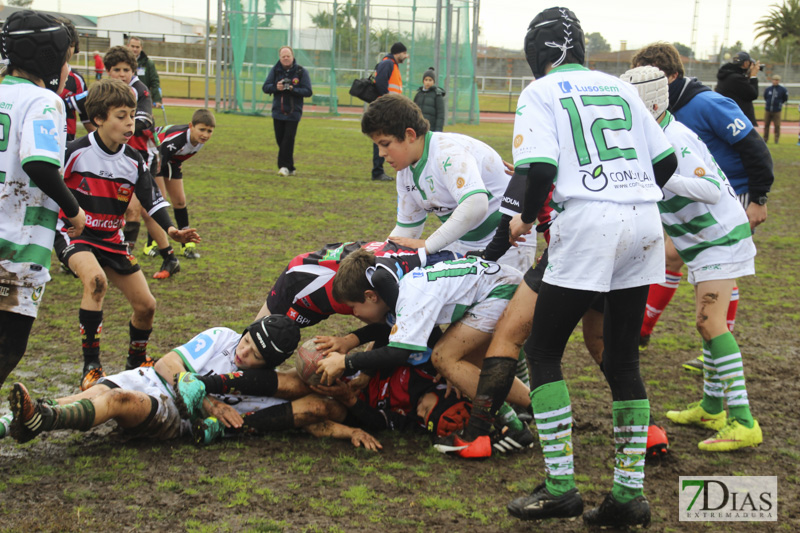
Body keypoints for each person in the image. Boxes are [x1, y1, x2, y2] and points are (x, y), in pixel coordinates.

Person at [504, 8, 678, 528]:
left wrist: (529, 217)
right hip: (643, 222)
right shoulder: (620, 87)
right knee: (623, 361)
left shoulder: (539, 93)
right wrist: (630, 191)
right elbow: (664, 162)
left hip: (589, 224)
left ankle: (561, 488)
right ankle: (628, 496)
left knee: (542, 349)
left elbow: (538, 169)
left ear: (538, 53)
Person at [622, 65, 762, 452]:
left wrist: (660, 180)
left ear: (649, 104)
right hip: (701, 242)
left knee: (709, 323)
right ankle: (712, 408)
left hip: (720, 238)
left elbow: (711, 189)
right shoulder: (653, 134)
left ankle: (743, 421)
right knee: (707, 325)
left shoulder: (675, 138)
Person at [6, 315, 380, 451]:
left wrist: (349, 432)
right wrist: (206, 400)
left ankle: (43, 420)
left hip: (171, 414)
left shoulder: (268, 387)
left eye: (254, 356)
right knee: (92, 393)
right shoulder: (221, 336)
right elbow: (169, 363)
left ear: (271, 365)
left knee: (118, 400)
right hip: (151, 379)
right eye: (247, 342)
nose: (243, 354)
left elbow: (312, 417)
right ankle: (18, 424)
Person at [631, 43, 774, 368]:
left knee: (717, 271)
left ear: (673, 76)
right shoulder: (655, 113)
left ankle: (715, 343)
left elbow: (755, 147)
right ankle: (679, 334)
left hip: (729, 194)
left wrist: (758, 198)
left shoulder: (705, 103)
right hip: (694, 198)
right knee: (673, 256)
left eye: (654, 78)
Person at [54, 79, 200, 391]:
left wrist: (172, 228)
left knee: (146, 305)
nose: (129, 123)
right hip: (76, 234)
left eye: (132, 116)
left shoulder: (134, 159)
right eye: (121, 116)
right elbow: (48, 184)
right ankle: (91, 365)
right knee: (96, 282)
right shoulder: (75, 152)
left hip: (111, 239)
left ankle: (136, 360)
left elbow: (151, 200)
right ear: (99, 119)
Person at [319, 249, 535, 458]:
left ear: (371, 296)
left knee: (444, 358)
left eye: (353, 307)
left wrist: (346, 362)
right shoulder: (401, 287)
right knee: (469, 367)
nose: (354, 313)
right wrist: (351, 340)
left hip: (500, 290)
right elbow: (391, 329)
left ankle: (514, 427)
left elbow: (399, 353)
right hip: (502, 285)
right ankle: (540, 411)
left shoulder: (409, 296)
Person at [0, 10, 86, 396]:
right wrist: (72, 209)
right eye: (67, 57)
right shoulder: (44, 100)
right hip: (14, 245)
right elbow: (38, 162)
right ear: (51, 59)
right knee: (8, 345)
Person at [361, 93, 537, 273]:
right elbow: (408, 228)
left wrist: (428, 245)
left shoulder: (447, 152)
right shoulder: (405, 172)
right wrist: (378, 257)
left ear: (409, 135)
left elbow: (476, 204)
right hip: (460, 240)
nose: (381, 153)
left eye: (385, 143)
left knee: (502, 300)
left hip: (509, 240)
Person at [142, 109, 216, 261]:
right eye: (202, 129)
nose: (205, 134)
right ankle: (151, 243)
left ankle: (187, 243)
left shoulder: (199, 140)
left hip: (171, 161)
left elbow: (178, 156)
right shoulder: (175, 140)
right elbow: (157, 158)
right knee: (159, 200)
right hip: (154, 159)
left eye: (209, 131)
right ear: (191, 126)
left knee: (180, 201)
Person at [262, 46, 312, 177]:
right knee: (280, 139)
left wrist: (292, 89)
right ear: (279, 57)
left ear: (292, 56)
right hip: (278, 111)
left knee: (288, 140)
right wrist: (276, 87)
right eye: (283, 56)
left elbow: (308, 91)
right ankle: (290, 167)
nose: (285, 58)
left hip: (293, 113)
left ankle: (283, 167)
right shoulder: (275, 71)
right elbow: (265, 87)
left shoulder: (301, 72)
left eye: (288, 56)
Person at [370, 42, 409, 182]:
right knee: (382, 139)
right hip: (385, 109)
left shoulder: (392, 64)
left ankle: (380, 171)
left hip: (390, 108)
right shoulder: (388, 64)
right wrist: (388, 102)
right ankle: (377, 171)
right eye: (404, 53)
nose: (406, 56)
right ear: (398, 53)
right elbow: (380, 83)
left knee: (387, 138)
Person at [57, 18, 94, 142]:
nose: (67, 49)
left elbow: (86, 117)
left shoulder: (77, 80)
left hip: (67, 141)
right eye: (63, 44)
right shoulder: (36, 76)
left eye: (71, 45)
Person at [715, 51, 760, 127]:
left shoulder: (726, 75)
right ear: (746, 63)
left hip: (728, 116)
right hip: (739, 121)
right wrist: (753, 76)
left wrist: (747, 77)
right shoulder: (737, 78)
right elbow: (753, 94)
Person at [128, 36, 162, 108]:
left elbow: (154, 82)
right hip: (126, 97)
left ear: (141, 48)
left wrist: (157, 99)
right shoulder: (122, 62)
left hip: (143, 98)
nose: (135, 49)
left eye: (137, 47)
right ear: (128, 46)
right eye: (132, 46)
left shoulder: (148, 63)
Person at [413, 67, 445, 132]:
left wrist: (438, 131)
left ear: (434, 81)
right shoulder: (418, 94)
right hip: (418, 129)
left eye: (430, 80)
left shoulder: (437, 95)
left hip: (431, 129)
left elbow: (440, 115)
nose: (428, 82)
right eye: (426, 80)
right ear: (423, 81)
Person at [763, 74, 788, 144]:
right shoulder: (768, 89)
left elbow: (785, 98)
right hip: (768, 110)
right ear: (772, 80)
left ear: (779, 81)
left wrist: (779, 104)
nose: (775, 81)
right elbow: (765, 97)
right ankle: (765, 138)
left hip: (777, 110)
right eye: (774, 80)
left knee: (777, 125)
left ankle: (776, 139)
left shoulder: (782, 90)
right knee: (766, 125)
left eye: (777, 80)